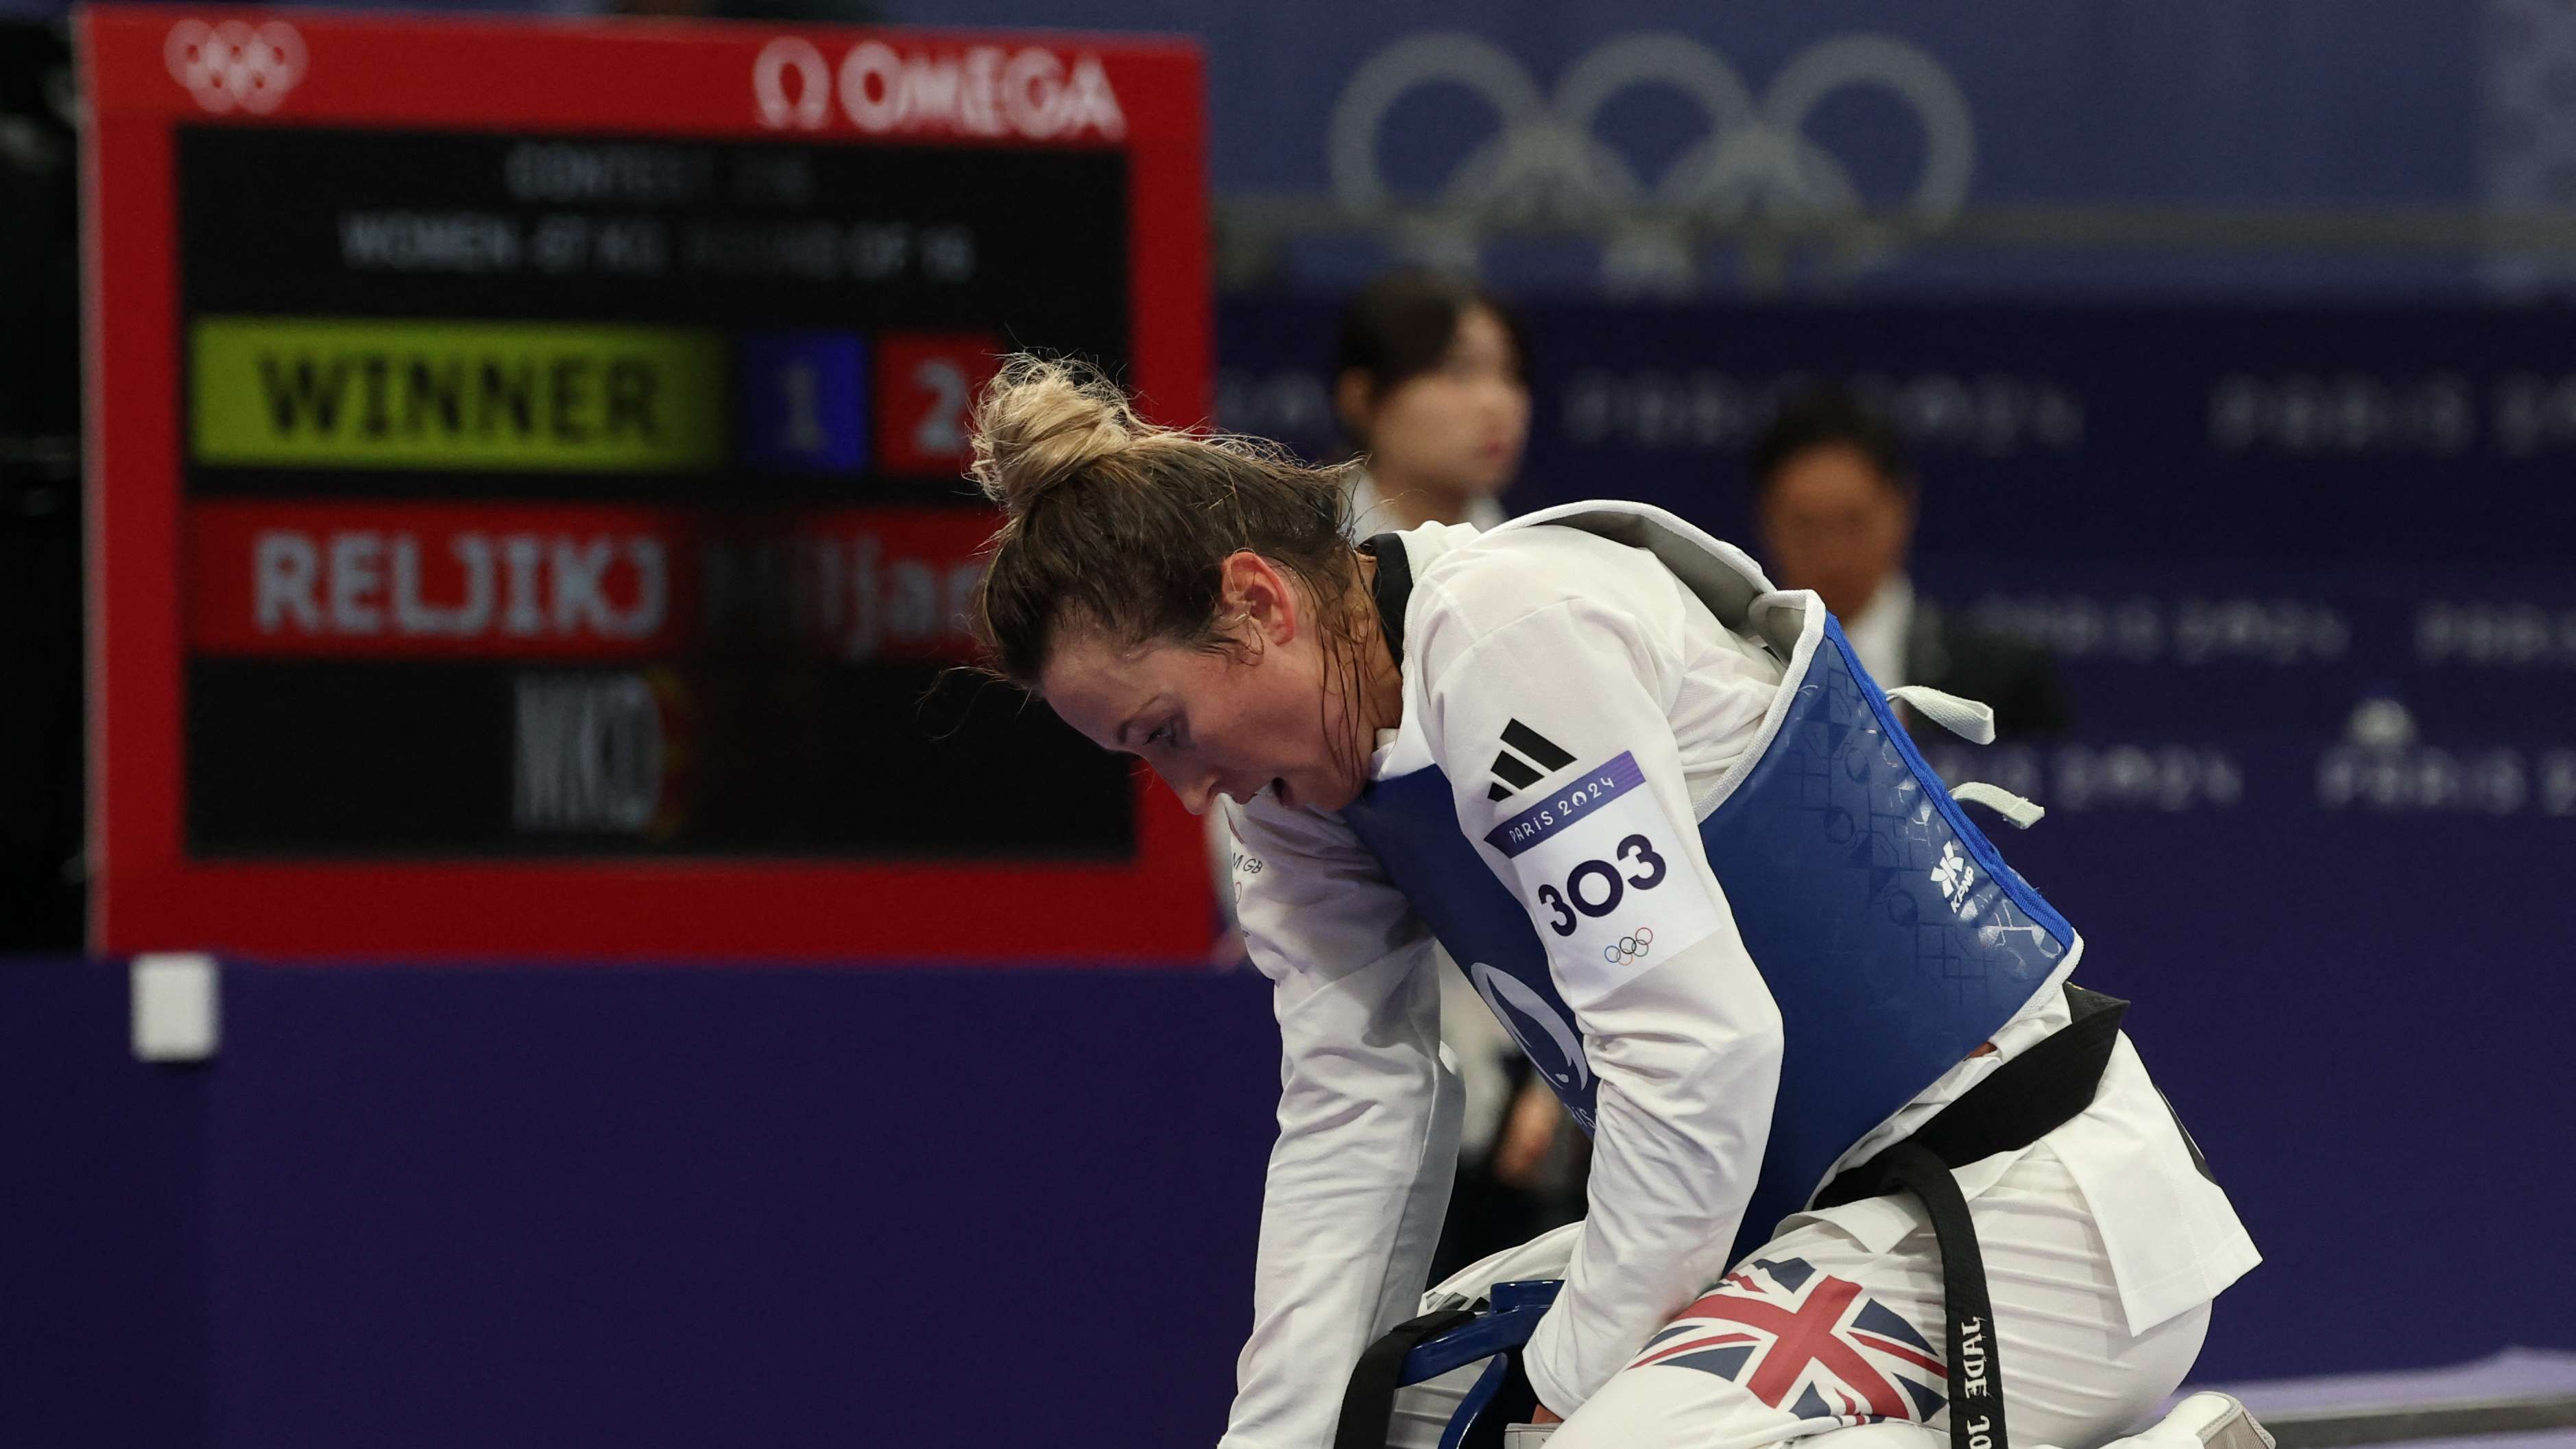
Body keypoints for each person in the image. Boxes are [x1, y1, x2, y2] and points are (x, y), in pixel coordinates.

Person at [965, 357, 2259, 1449]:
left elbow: (1700, 1058)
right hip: (1807, 1234)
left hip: (2029, 1213)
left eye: (1168, 727)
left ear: (1255, 602)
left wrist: (1564, 1385)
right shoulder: (1296, 796)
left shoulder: (1516, 635)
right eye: (1145, 758)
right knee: (1406, 1421)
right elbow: (1352, 1122)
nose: (1188, 783)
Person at [1750, 389, 2071, 739]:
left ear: (1901, 509)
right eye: (1806, 526)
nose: (1833, 554)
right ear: (1767, 520)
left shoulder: (2004, 680)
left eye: (1854, 522)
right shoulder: (1732, 672)